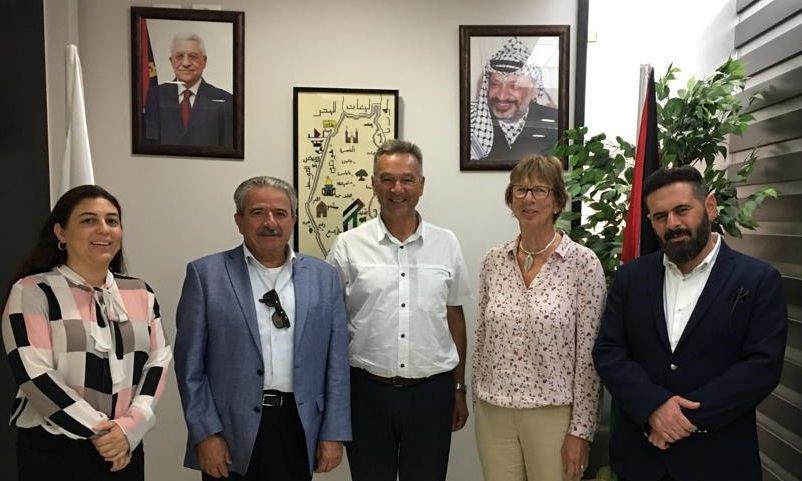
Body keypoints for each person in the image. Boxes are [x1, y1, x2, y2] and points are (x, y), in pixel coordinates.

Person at [592, 166, 788, 481]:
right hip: (641, 462)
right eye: (660, 216)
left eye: (682, 210)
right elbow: (609, 351)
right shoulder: (630, 278)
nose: (672, 224)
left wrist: (679, 419)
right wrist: (653, 407)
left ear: (709, 206)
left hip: (719, 462)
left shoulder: (758, 279)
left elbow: (761, 367)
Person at [174, 176, 350, 481]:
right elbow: (189, 367)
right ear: (239, 220)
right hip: (229, 430)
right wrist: (206, 433)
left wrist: (334, 432)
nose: (270, 222)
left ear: (293, 220)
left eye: (280, 213)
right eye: (258, 213)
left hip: (298, 425)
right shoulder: (206, 276)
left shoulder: (324, 278)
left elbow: (337, 364)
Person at [1, 185, 171, 481]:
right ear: (61, 233)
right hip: (55, 450)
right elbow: (34, 374)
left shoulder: (140, 292)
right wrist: (102, 433)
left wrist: (129, 429)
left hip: (125, 445)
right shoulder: (32, 291)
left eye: (112, 220)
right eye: (88, 220)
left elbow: (159, 362)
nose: (103, 229)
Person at [326, 139, 472, 481]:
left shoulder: (446, 243)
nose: (397, 189)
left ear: (421, 184)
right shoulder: (348, 245)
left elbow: (455, 317)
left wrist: (458, 389)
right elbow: (330, 324)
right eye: (387, 179)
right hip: (366, 394)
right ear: (374, 184)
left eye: (407, 179)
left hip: (431, 394)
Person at [472, 154, 605, 481]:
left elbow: (589, 355)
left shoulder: (582, 264)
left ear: (558, 201)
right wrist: (476, 394)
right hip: (494, 411)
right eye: (520, 190)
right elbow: (481, 337)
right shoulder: (494, 261)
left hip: (553, 415)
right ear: (511, 199)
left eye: (540, 190)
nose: (528, 198)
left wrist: (581, 430)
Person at [470, 37, 559, 163]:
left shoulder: (554, 120)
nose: (502, 96)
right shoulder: (473, 120)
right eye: (495, 84)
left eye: (514, 86)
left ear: (533, 90)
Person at [143, 33, 234, 148]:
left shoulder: (225, 100)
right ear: (171, 61)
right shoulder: (155, 95)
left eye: (193, 56)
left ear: (204, 61)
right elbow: (149, 143)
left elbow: (228, 148)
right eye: (179, 56)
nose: (186, 63)